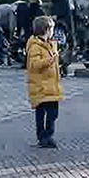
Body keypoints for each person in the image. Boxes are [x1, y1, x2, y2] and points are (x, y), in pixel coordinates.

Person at [26, 16, 63, 148]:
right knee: (41, 113)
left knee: (53, 113)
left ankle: (48, 134)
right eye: (52, 28)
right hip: (40, 86)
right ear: (46, 29)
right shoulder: (35, 46)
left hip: (51, 86)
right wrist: (50, 61)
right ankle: (44, 137)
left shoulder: (51, 44)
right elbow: (34, 65)